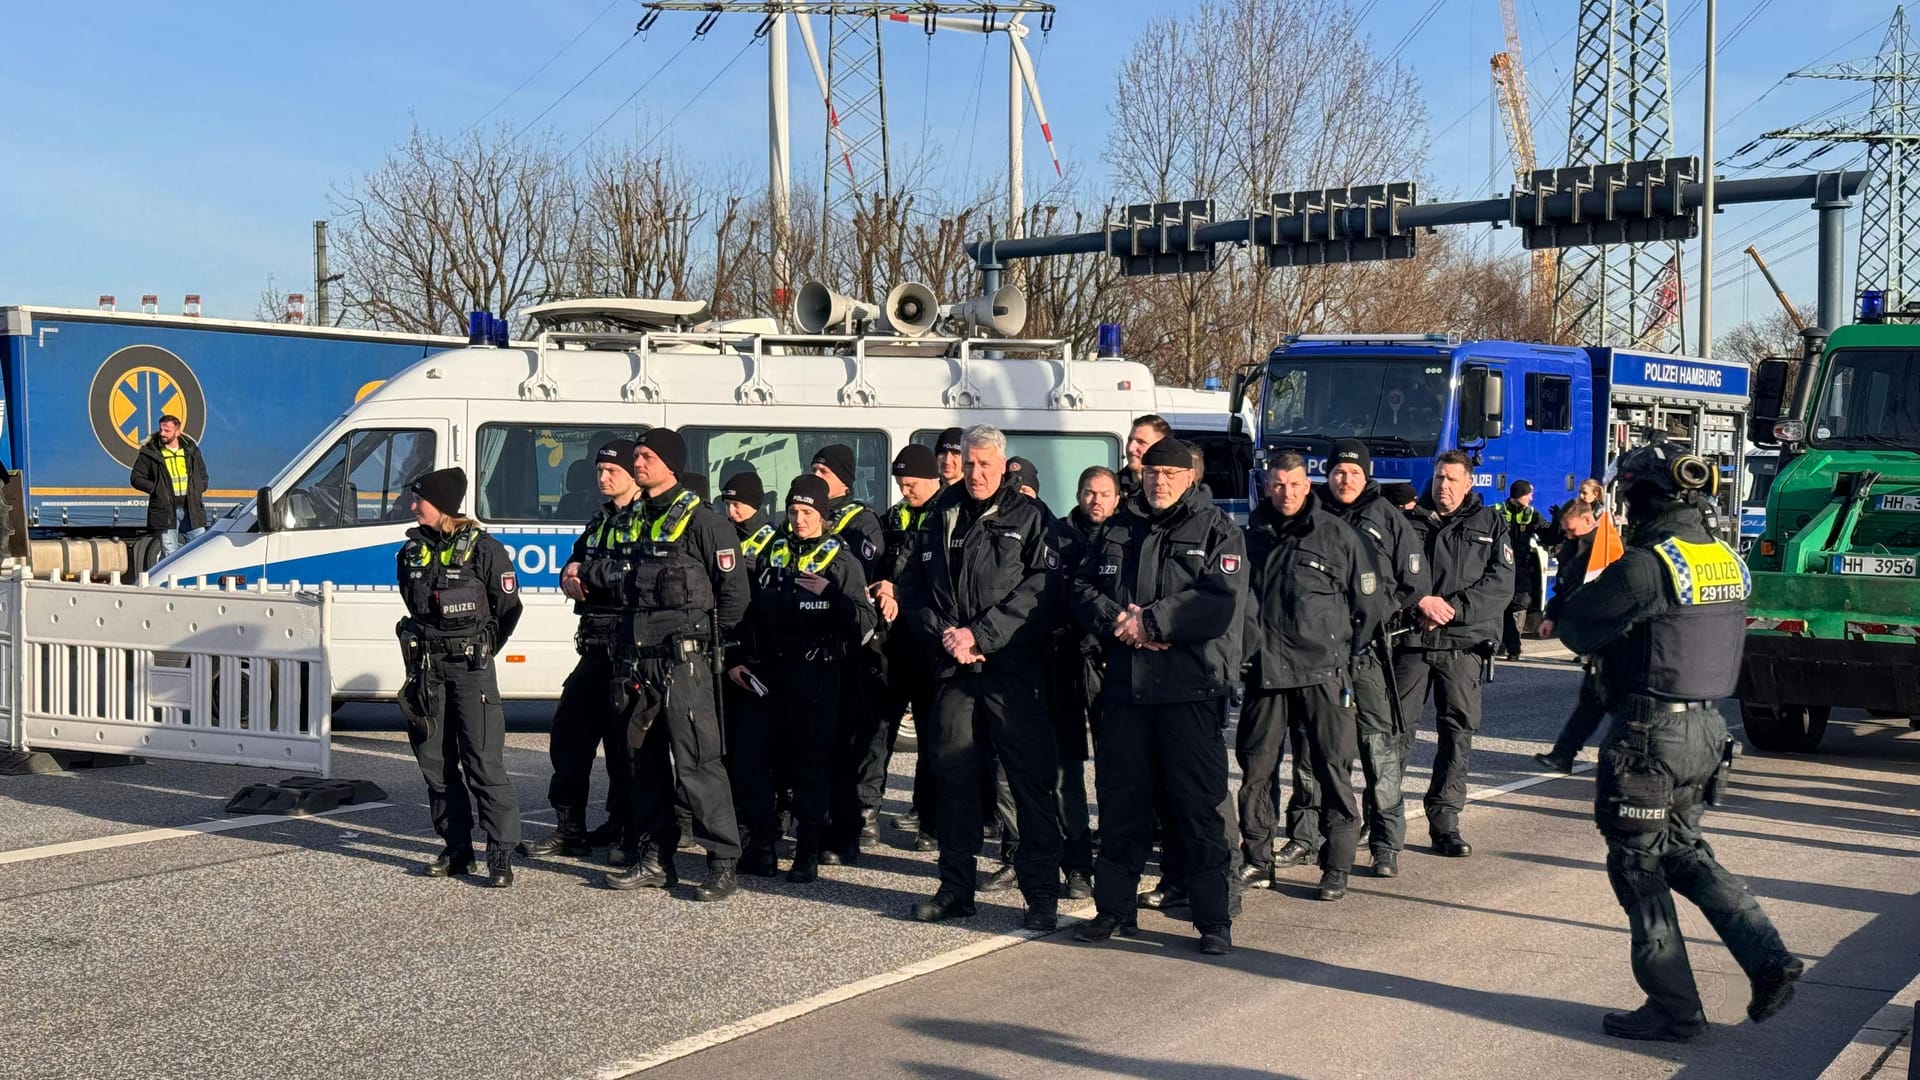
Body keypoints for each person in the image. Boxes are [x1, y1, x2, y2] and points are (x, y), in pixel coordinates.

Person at [1558, 442, 1802, 1042]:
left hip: (1649, 734)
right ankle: (1769, 960)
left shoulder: (1648, 564)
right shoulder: (1725, 557)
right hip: (1708, 731)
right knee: (1684, 851)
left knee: (1637, 865)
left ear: (1640, 495)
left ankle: (1673, 1008)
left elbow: (1575, 625)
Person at [1071, 438, 1247, 956]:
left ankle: (1214, 919)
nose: (1159, 481)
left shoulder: (1218, 530)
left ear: (1189, 476)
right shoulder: (1118, 527)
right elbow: (1080, 589)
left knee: (1199, 810)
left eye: (1170, 473)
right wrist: (1118, 622)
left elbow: (1220, 601)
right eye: (1151, 473)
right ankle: (1113, 910)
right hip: (1126, 692)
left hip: (1188, 693)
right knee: (1123, 806)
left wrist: (1152, 619)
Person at [897, 425, 1061, 930]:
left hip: (1011, 672)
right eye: (969, 463)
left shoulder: (1031, 517)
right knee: (954, 783)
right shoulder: (939, 514)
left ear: (1002, 462)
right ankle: (956, 889)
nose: (976, 473)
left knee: (1029, 784)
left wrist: (981, 636)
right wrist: (946, 634)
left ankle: (1040, 897)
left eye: (985, 464)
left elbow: (1042, 591)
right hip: (953, 669)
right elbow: (913, 586)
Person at [602, 428, 750, 901]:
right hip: (637, 662)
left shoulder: (704, 522)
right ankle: (656, 858)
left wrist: (705, 648)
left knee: (698, 765)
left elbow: (734, 598)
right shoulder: (632, 518)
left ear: (669, 464)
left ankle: (722, 861)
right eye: (637, 455)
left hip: (684, 662)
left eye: (646, 456)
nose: (638, 462)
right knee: (643, 764)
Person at [1235, 453, 1380, 901]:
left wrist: (1341, 651)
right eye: (1279, 485)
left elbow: (1369, 605)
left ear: (1307, 484)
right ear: (1267, 484)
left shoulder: (1338, 535)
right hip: (1265, 673)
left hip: (1323, 671)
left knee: (1331, 769)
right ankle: (1258, 860)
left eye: (1295, 485)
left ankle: (1335, 866)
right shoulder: (1248, 536)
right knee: (1256, 772)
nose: (1288, 493)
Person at [730, 474, 879, 883]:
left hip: (816, 676)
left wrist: (831, 597)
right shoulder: (770, 552)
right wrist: (738, 656)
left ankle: (807, 851)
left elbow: (866, 624)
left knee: (811, 766)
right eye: (794, 511)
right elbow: (745, 610)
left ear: (823, 516)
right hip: (768, 674)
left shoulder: (841, 560)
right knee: (752, 762)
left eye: (808, 512)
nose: (799, 519)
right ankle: (762, 845)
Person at [394, 467, 523, 887]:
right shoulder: (409, 554)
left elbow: (508, 609)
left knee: (483, 762)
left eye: (420, 500)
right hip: (428, 670)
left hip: (471, 671)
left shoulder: (485, 550)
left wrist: (482, 650)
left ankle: (500, 855)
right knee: (436, 763)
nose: (413, 507)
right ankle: (456, 849)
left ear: (443, 505)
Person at [1394, 450, 1514, 858]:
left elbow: (1500, 584)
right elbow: (1389, 571)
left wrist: (1452, 610)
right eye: (1439, 478)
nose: (1443, 486)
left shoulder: (1490, 524)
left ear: (1468, 484)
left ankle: (1445, 822)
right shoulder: (1407, 519)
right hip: (1411, 639)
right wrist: (1419, 605)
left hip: (1462, 645)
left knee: (1457, 735)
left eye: (1451, 480)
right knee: (1395, 733)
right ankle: (1383, 821)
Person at [1319, 439, 1428, 879]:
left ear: (1367, 476)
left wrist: (1381, 611)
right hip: (1322, 655)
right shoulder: (1314, 514)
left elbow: (1415, 581)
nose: (1345, 480)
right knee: (1319, 753)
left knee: (1378, 752)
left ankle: (1386, 843)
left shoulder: (1386, 516)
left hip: (1368, 654)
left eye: (1354, 473)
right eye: (1338, 473)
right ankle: (1310, 837)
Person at [533, 440, 645, 864]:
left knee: (627, 750)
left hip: (629, 647)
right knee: (569, 738)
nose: (602, 478)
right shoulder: (599, 520)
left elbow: (636, 577)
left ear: (633, 476)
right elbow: (574, 564)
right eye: (599, 471)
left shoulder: (644, 521)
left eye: (611, 472)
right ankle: (570, 829)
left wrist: (592, 575)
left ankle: (630, 832)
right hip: (594, 646)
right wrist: (568, 575)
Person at [808, 443, 891, 862]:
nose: (818, 475)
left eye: (825, 470)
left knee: (859, 736)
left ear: (844, 478)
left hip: (854, 645)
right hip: (807, 647)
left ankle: (860, 816)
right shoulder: (804, 516)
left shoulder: (861, 523)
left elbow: (864, 580)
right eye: (814, 468)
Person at [1039, 464, 1119, 901]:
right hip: (1065, 661)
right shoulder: (1057, 536)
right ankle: (1077, 862)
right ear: (1078, 493)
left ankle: (1116, 855)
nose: (1096, 500)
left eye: (1104, 493)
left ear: (1116, 498)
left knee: (1116, 766)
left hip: (1112, 663)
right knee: (1066, 767)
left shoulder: (1125, 535)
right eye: (1089, 492)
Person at [873, 444, 944, 851]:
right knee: (878, 731)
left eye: (912, 483)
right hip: (893, 641)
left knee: (932, 737)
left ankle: (931, 823)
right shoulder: (894, 517)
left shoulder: (945, 515)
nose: (906, 490)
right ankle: (864, 817)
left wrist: (901, 590)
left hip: (930, 641)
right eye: (901, 483)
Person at [719, 469, 780, 874]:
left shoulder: (772, 543)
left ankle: (764, 840)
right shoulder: (720, 535)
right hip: (725, 659)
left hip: (760, 663)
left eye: (738, 502)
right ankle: (740, 830)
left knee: (754, 758)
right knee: (727, 756)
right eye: (726, 501)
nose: (731, 509)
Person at [1533, 498, 1609, 773]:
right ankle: (1563, 755)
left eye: (1571, 531)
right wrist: (1551, 616)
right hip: (1590, 634)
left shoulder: (1607, 549)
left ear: (1589, 521)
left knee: (1606, 700)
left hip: (1609, 636)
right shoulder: (1574, 548)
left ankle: (1566, 755)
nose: (1567, 535)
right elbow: (1564, 588)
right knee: (1592, 698)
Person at [130, 414, 210, 558]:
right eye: (161, 430)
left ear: (177, 432)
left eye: (167, 431)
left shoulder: (191, 451)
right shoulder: (151, 452)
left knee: (201, 552)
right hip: (165, 511)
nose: (162, 434)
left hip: (191, 510)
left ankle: (195, 580)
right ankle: (172, 581)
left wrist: (197, 490)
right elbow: (136, 478)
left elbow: (203, 475)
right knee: (170, 555)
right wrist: (157, 489)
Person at [1498, 480, 1549, 660]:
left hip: (1521, 566)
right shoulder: (1497, 511)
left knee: (1520, 603)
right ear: (1520, 494)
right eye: (1529, 494)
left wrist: (1558, 523)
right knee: (1500, 604)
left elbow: (1548, 535)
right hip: (1500, 566)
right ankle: (1504, 645)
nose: (1531, 498)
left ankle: (1513, 647)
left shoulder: (1531, 514)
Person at [1118, 414, 1171, 500]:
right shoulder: (1111, 487)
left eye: (1141, 442)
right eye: (1130, 440)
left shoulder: (1175, 487)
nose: (1131, 448)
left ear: (1161, 446)